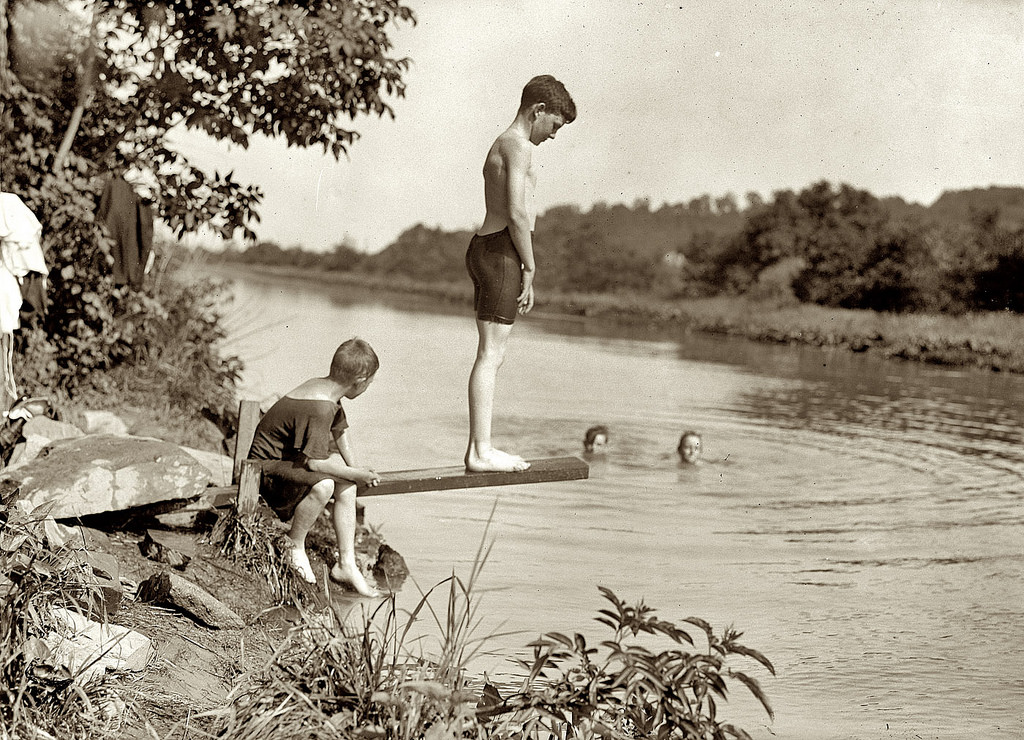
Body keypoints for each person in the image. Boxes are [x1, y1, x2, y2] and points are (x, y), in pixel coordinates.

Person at [465, 75, 576, 473]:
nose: (554, 135)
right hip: (502, 253)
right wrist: (531, 265)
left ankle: (480, 448)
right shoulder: (519, 147)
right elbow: (517, 212)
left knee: (490, 353)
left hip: (486, 247)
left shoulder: (501, 144)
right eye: (555, 126)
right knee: (491, 355)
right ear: (538, 111)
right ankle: (481, 452)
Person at [247, 338, 381, 596]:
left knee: (347, 485)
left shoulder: (326, 389)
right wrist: (358, 474)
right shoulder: (319, 406)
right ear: (360, 381)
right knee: (325, 485)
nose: (369, 387)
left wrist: (355, 468)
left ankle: (346, 563)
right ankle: (294, 545)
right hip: (263, 472)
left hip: (285, 463)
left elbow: (340, 430)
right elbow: (315, 463)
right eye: (370, 382)